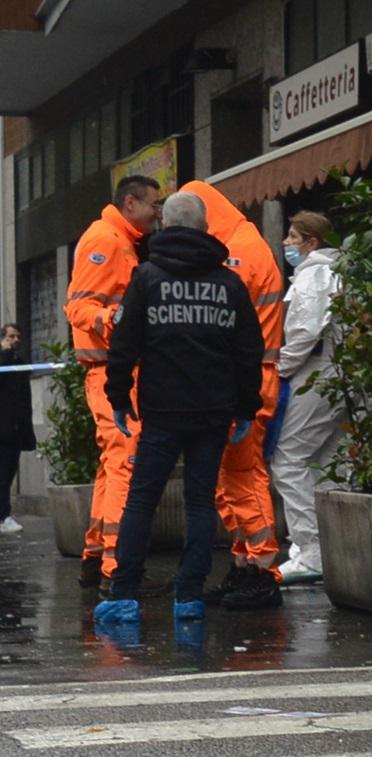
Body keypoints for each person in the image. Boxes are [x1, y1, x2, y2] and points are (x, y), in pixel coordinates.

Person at [91, 191, 262, 625]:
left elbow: (125, 346)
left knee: (142, 501)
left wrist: (116, 398)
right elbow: (248, 352)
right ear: (206, 229)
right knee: (200, 503)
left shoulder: (147, 278)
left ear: (165, 227)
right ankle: (189, 596)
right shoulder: (229, 284)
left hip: (163, 411)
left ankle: (124, 592)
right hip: (214, 411)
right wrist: (245, 409)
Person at [184, 180, 286, 609]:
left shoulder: (239, 252)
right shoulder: (240, 242)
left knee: (244, 477)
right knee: (233, 479)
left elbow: (221, 320)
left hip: (246, 379)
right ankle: (246, 565)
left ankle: (263, 572)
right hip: (245, 376)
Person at [66, 174, 160, 586]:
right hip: (110, 368)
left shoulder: (119, 239)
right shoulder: (106, 239)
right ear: (131, 203)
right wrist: (116, 323)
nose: (158, 212)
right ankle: (116, 567)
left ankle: (97, 556)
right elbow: (79, 306)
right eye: (154, 204)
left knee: (114, 465)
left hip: (112, 367)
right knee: (125, 462)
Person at [269, 211, 342, 585]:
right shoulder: (336, 272)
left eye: (293, 237)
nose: (286, 244)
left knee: (288, 459)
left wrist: (277, 369)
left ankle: (312, 550)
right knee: (326, 462)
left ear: (312, 242)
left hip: (315, 371)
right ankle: (328, 549)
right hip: (337, 373)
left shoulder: (314, 275)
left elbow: (304, 331)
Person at [0, 324, 33, 534]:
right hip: (2, 428)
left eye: (18, 336)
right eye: (11, 336)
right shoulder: (4, 360)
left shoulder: (18, 363)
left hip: (14, 429)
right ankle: (3, 516)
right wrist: (5, 353)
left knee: (6, 474)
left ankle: (3, 515)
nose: (16, 340)